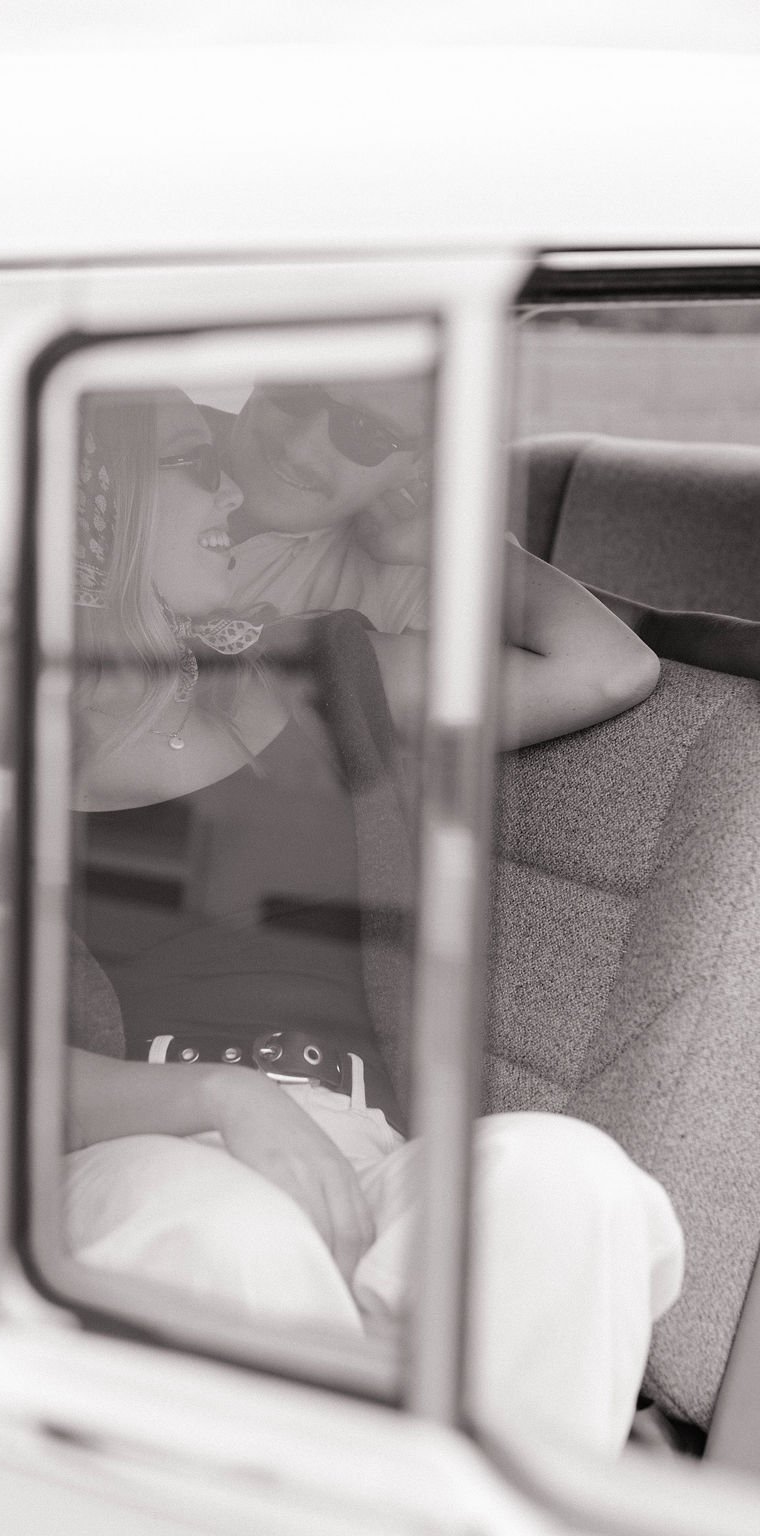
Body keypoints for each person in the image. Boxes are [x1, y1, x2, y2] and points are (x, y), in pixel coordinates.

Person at [63, 388, 682, 1459]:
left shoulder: (316, 668)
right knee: (237, 1239)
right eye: (189, 465)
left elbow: (604, 665)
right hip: (138, 1147)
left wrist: (439, 531)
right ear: (90, 500)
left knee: (567, 1181)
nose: (231, 490)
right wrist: (221, 1095)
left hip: (363, 1146)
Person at [201, 374, 435, 631]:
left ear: (421, 463)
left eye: (364, 430)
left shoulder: (423, 579)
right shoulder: (155, 438)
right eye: (296, 390)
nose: (297, 449)